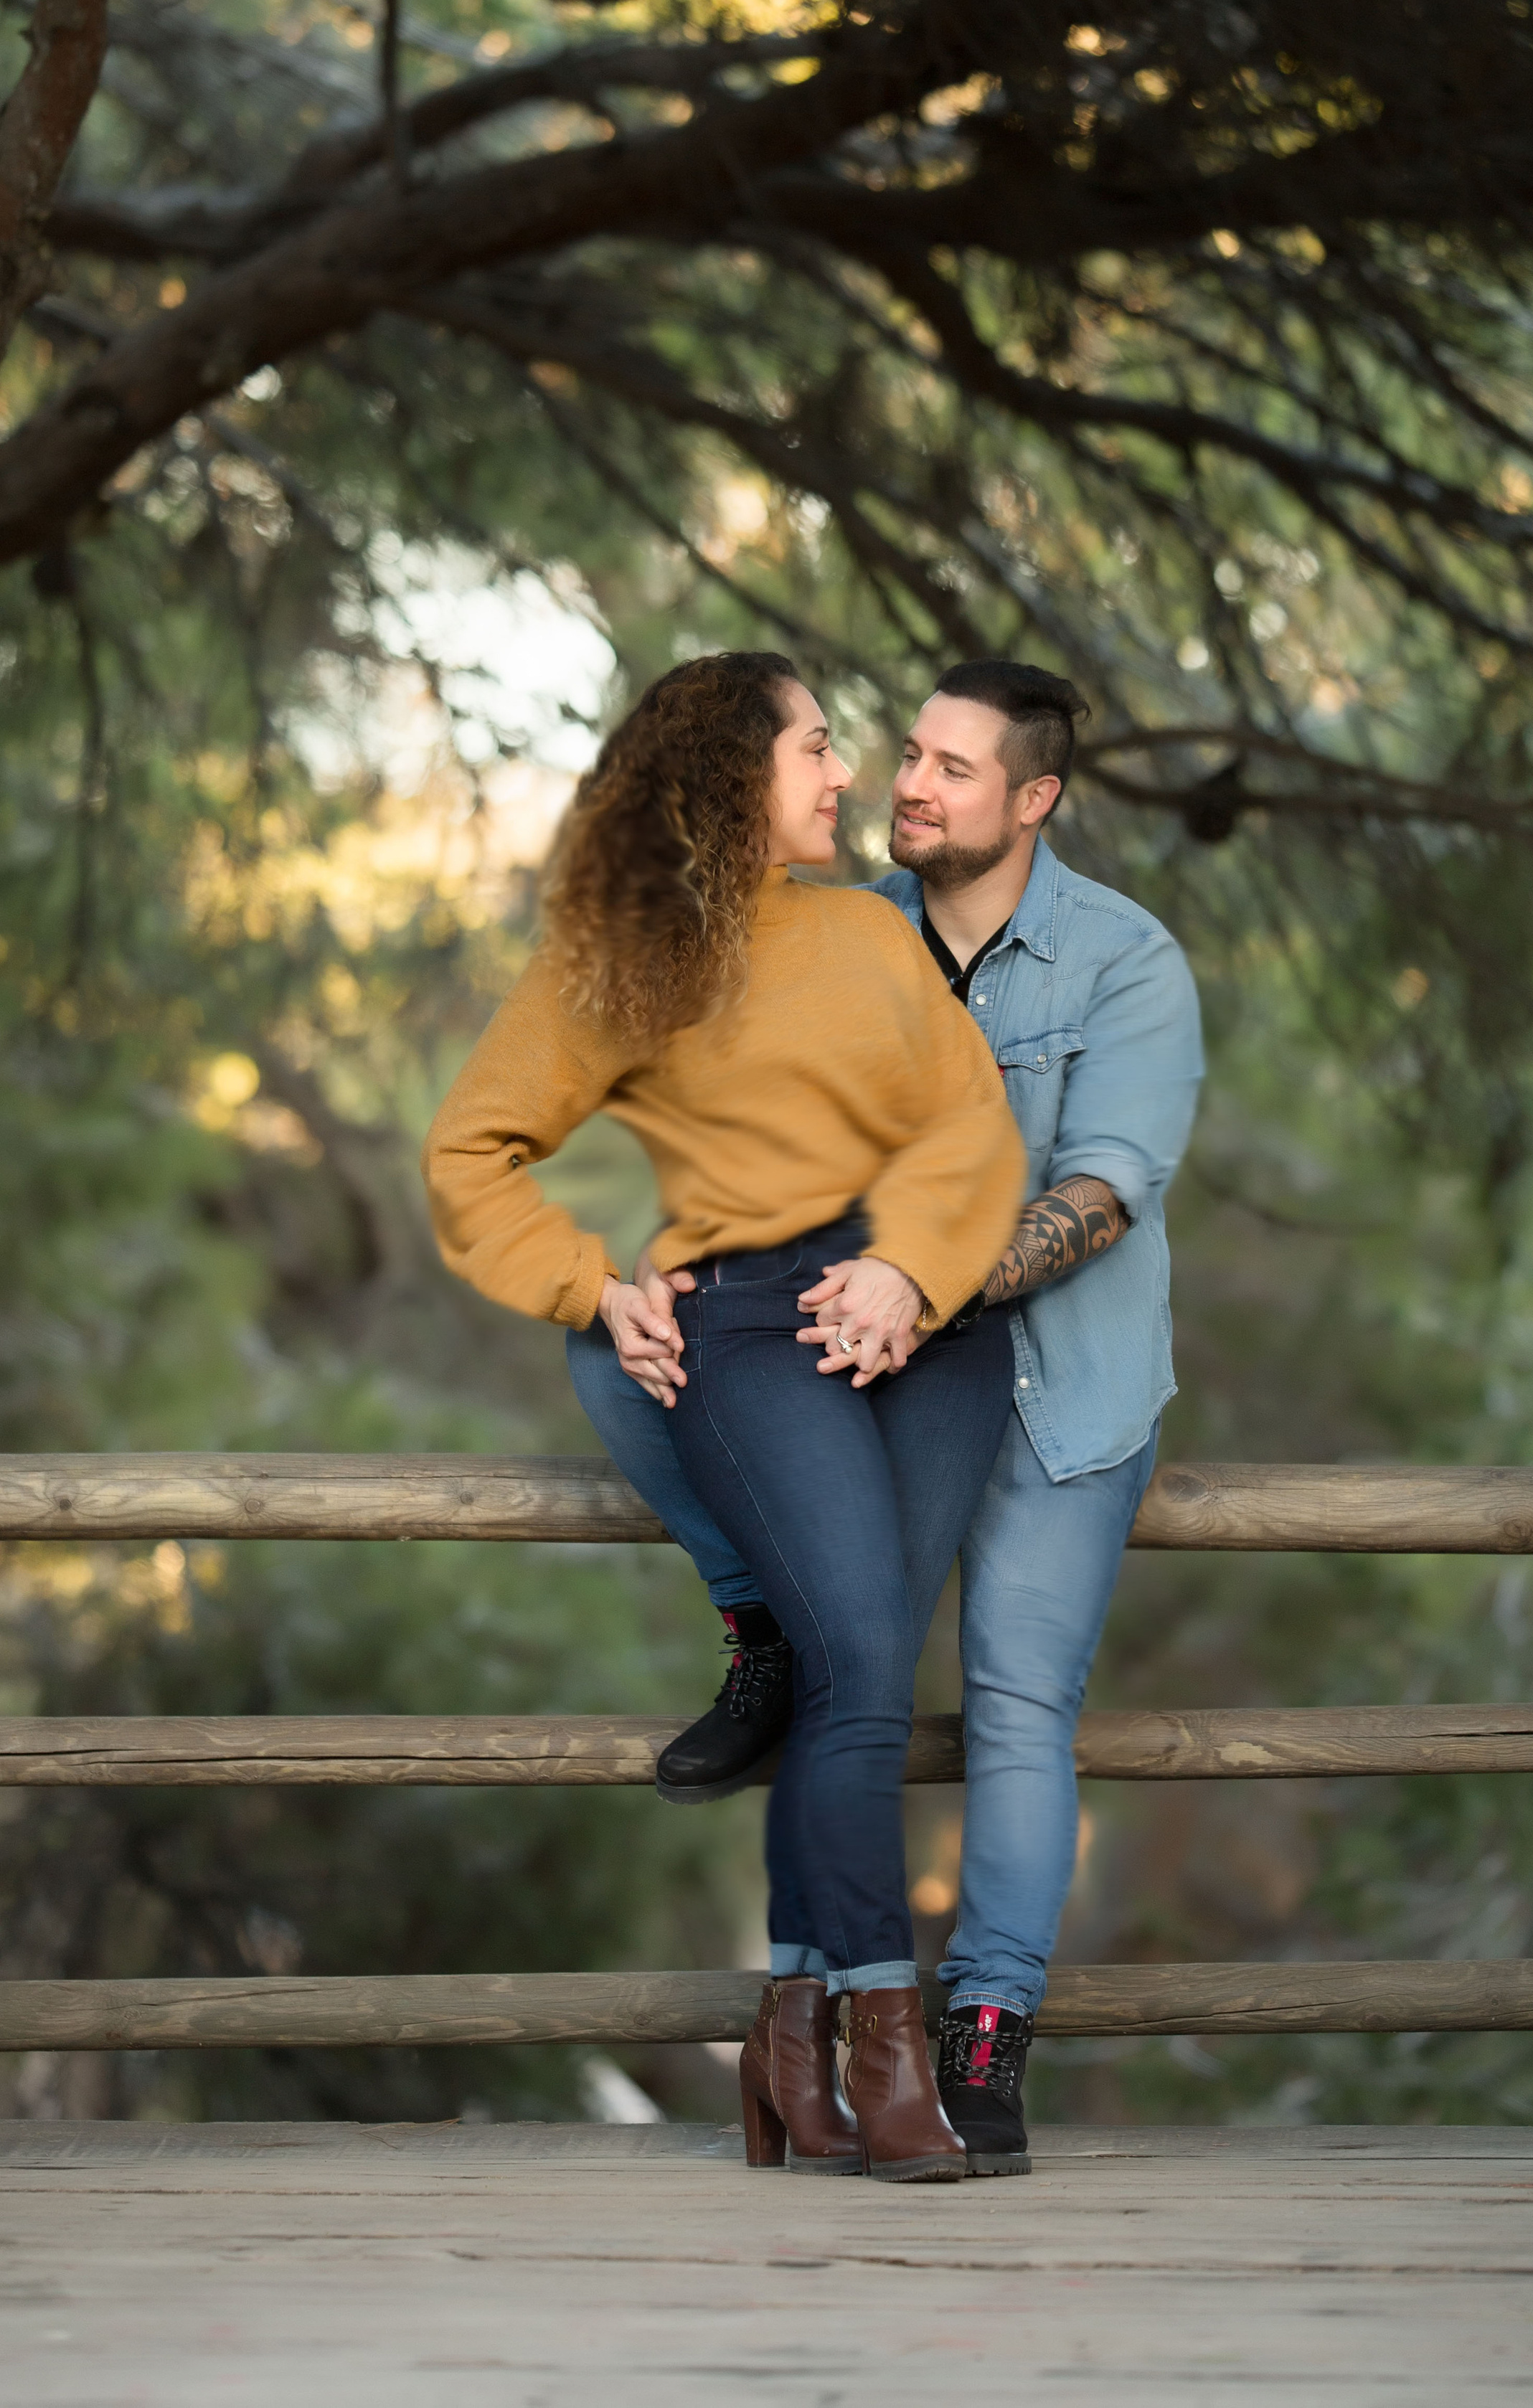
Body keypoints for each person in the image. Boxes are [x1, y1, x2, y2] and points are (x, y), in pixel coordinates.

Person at [590, 660, 1203, 2174]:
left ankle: (982, 2025)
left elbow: (1102, 1190)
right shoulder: (832, 930)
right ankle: (800, 2018)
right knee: (839, 1663)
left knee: (1015, 1703)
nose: (908, 785)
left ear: (1034, 798)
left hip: (1059, 1388)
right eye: (908, 754)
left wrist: (926, 1276)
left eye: (952, 768)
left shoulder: (1125, 960)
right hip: (872, 1368)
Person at [421, 651, 1027, 2182]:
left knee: (844, 1675)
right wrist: (586, 1283)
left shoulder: (870, 935)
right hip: (750, 1324)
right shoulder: (621, 960)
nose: (847, 774)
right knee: (863, 1665)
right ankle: (886, 2044)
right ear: (728, 773)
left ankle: (789, 2036)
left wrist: (911, 1270)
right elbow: (472, 1150)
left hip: (931, 1331)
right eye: (816, 746)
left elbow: (970, 1128)